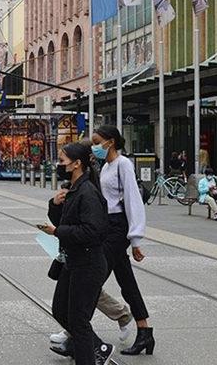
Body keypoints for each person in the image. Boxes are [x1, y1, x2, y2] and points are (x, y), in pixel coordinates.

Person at [39, 142, 115, 365]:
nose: (59, 165)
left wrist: (57, 232)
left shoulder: (88, 193)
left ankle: (90, 356)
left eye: (62, 161)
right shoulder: (73, 189)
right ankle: (98, 347)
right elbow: (63, 220)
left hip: (88, 263)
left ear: (77, 164)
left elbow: (93, 230)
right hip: (73, 261)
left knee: (79, 321)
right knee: (61, 310)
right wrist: (54, 204)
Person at [91, 125, 154, 356]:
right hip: (107, 226)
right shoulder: (105, 166)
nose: (94, 146)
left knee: (92, 277)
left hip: (118, 228)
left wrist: (135, 240)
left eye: (97, 141)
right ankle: (145, 332)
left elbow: (132, 200)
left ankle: (75, 332)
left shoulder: (123, 164)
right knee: (127, 282)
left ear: (110, 141)